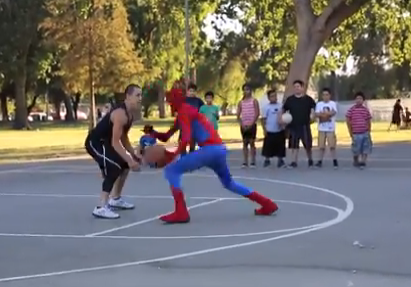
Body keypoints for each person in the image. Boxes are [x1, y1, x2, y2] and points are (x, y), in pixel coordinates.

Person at [149, 87, 278, 224]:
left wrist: (174, 155)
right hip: (219, 150)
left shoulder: (184, 112)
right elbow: (167, 136)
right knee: (229, 183)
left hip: (209, 151)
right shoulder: (185, 112)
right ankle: (267, 204)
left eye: (170, 102)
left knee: (171, 170)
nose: (170, 105)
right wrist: (153, 133)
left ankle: (181, 212)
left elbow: (185, 138)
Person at [84, 84, 142, 219]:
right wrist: (129, 159)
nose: (140, 98)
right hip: (95, 143)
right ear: (128, 96)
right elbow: (116, 142)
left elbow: (123, 137)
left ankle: (115, 199)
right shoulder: (120, 114)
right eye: (137, 95)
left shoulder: (130, 115)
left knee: (125, 166)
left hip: (107, 142)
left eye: (141, 95)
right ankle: (100, 207)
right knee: (114, 167)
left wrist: (133, 155)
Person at [282, 80, 316, 168]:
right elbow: (284, 109)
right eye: (295, 87)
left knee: (308, 144)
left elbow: (313, 108)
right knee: (294, 145)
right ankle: (294, 161)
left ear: (302, 88)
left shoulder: (308, 99)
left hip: (304, 125)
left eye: (298, 86)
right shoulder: (290, 100)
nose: (296, 88)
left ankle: (310, 160)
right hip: (293, 126)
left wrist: (312, 114)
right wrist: (282, 119)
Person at [345, 91, 372, 168]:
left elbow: (368, 120)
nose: (358, 100)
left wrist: (369, 130)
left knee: (365, 147)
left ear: (363, 100)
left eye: (360, 98)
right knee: (356, 148)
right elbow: (347, 119)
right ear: (355, 100)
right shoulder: (351, 110)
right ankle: (355, 160)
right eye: (357, 99)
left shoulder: (365, 110)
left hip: (364, 132)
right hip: (356, 133)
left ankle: (363, 161)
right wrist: (350, 131)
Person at [261, 89, 286, 168]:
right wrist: (264, 130)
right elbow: (263, 119)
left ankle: (280, 160)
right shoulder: (266, 107)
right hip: (270, 130)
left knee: (280, 145)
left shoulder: (280, 106)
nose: (274, 98)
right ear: (268, 98)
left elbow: (284, 116)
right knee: (268, 145)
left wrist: (283, 125)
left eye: (275, 96)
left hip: (279, 130)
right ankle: (267, 160)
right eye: (272, 96)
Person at [314, 88, 339, 168]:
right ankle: (319, 161)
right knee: (321, 146)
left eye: (327, 95)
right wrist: (325, 114)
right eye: (324, 95)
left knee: (332, 146)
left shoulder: (332, 103)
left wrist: (325, 114)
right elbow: (317, 113)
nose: (325, 96)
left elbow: (333, 112)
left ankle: (335, 161)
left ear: (330, 95)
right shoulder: (319, 104)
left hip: (330, 128)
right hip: (321, 128)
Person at [237, 83, 260, 168]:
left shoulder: (254, 101)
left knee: (252, 142)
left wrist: (252, 123)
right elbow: (238, 115)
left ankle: (253, 161)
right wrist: (242, 124)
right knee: (245, 143)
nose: (246, 91)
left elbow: (257, 113)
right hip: (244, 125)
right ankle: (245, 161)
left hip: (252, 125)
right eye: (245, 90)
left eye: (248, 89)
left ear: (251, 91)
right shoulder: (241, 102)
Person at [182, 82, 205, 154]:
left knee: (192, 142)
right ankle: (183, 157)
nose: (192, 93)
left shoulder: (198, 101)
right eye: (190, 91)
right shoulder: (184, 100)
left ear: (196, 92)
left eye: (193, 91)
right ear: (187, 91)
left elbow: (202, 111)